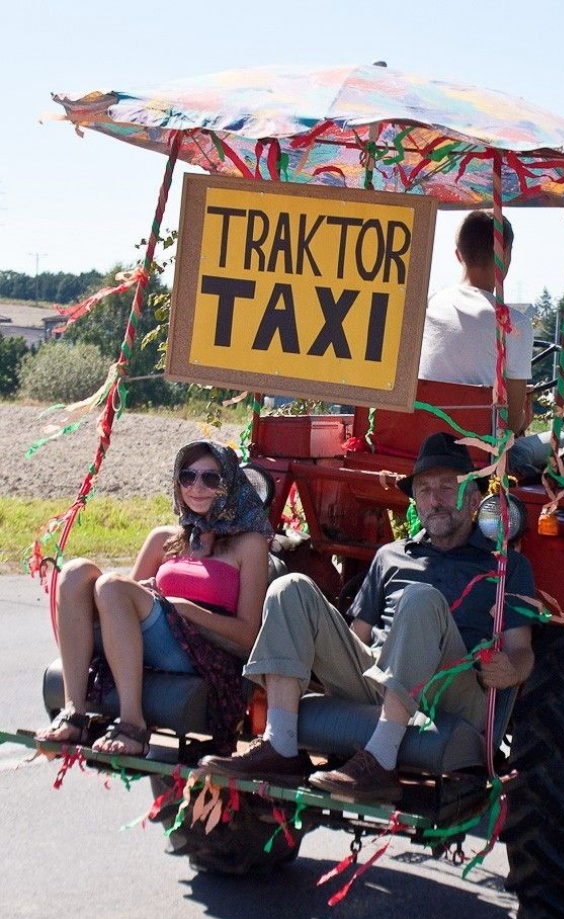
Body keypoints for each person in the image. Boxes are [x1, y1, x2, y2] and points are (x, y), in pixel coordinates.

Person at [199, 432, 537, 803]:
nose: (435, 500)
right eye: (424, 490)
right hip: (378, 678)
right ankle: (280, 748)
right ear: (415, 502)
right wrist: (315, 658)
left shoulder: (506, 566)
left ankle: (380, 760)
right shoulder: (390, 556)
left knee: (420, 598)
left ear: (473, 499)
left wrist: (512, 669)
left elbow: (522, 651)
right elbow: (357, 638)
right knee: (290, 587)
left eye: (447, 488)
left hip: (451, 691)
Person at [36, 440, 272, 757]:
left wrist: (180, 607)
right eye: (187, 477)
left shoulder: (250, 544)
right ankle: (74, 713)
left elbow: (247, 637)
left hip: (203, 651)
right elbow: (116, 604)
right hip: (149, 639)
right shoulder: (163, 538)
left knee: (113, 585)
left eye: (210, 478)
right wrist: (147, 597)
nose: (196, 487)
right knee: (76, 572)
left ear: (229, 483)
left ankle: (133, 725)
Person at [418, 210, 534, 436]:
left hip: (418, 439)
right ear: (505, 253)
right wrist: (523, 418)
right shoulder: (512, 324)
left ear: (458, 254)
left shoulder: (426, 305)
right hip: (481, 451)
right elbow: (510, 424)